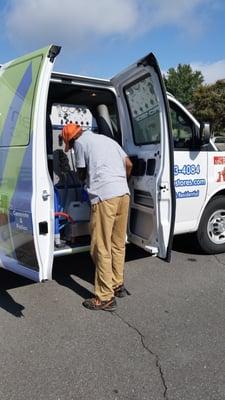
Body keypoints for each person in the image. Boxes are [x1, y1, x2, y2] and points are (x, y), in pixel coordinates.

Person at [61, 126, 133, 311]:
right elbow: (129, 165)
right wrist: (116, 181)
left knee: (100, 246)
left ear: (71, 140)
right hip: (123, 194)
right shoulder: (107, 140)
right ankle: (117, 284)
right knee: (117, 243)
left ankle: (105, 297)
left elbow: (82, 173)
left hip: (104, 197)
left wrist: (87, 180)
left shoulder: (80, 145)